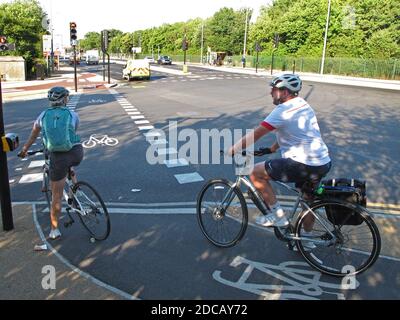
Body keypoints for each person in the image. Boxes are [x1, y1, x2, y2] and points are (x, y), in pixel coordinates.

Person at [228, 74, 331, 228]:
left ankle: (278, 217)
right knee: (307, 202)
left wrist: (233, 149)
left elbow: (256, 134)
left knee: (255, 173)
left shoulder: (282, 111)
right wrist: (272, 148)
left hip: (302, 163)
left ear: (285, 92)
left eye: (274, 89)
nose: (271, 92)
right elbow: (294, 133)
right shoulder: (303, 104)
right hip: (322, 162)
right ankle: (307, 244)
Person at [19, 86, 83, 240]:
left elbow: (34, 135)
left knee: (56, 195)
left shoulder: (42, 116)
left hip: (57, 156)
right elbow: (73, 132)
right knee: (69, 162)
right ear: (65, 99)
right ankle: (75, 188)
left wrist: (25, 149)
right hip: (77, 152)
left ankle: (54, 230)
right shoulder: (72, 114)